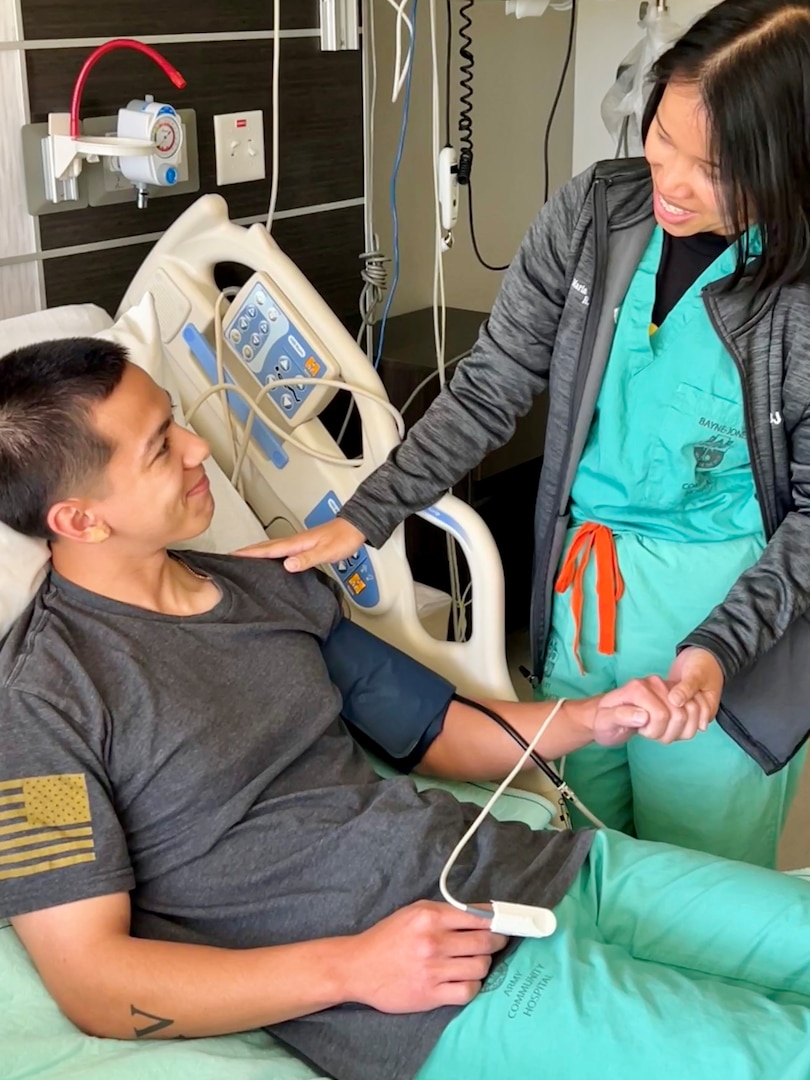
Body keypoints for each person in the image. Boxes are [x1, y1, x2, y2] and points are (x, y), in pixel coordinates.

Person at [2, 343, 810, 1080]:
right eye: (160, 447)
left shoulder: (266, 586)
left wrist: (592, 717)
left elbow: (435, 730)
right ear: (79, 519)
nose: (198, 446)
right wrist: (355, 969)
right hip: (437, 991)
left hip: (541, 868)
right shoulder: (39, 705)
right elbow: (94, 982)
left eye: (176, 421)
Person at [247, 0, 810, 868]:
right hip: (586, 603)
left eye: (715, 166)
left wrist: (717, 651)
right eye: (663, 134)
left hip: (728, 617)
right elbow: (490, 385)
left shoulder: (801, 298)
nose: (672, 179)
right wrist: (367, 514)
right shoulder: (595, 217)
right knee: (582, 852)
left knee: (700, 881)